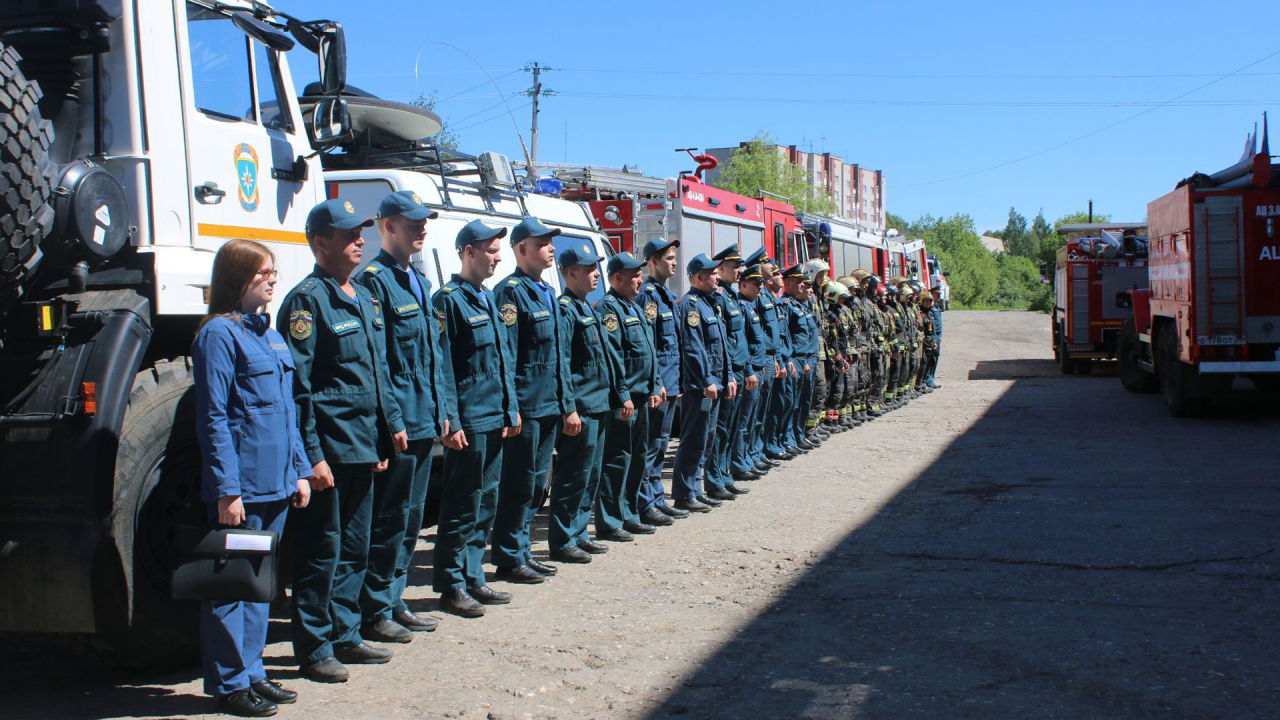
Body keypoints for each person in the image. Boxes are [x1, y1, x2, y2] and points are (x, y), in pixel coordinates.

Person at [279, 199, 406, 683]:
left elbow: (378, 372)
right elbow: (299, 388)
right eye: (348, 233)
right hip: (330, 450)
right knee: (321, 551)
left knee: (355, 546)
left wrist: (389, 425)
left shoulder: (364, 297)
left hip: (364, 445)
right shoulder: (307, 301)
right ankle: (314, 647)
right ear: (320, 242)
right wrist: (311, 456)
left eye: (362, 231)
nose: (360, 240)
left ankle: (346, 632)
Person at [193, 239, 311, 717]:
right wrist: (227, 489)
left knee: (260, 585)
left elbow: (288, 412)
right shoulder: (219, 335)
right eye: (263, 271)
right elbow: (214, 417)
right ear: (237, 277)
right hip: (243, 487)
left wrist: (300, 470)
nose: (272, 279)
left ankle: (253, 673)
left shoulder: (269, 334)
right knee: (231, 587)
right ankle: (228, 683)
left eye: (273, 271)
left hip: (277, 483)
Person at [356, 191, 452, 642]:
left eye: (424, 222)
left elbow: (435, 356)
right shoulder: (376, 281)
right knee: (391, 517)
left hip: (423, 417)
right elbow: (380, 362)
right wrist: (392, 419)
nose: (421, 229)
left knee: (412, 517)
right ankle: (374, 607)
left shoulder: (418, 281)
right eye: (412, 223)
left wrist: (444, 411)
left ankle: (393, 599)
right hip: (400, 422)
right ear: (387, 227)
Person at [432, 219, 521, 618]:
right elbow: (442, 366)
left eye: (498, 251)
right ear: (468, 251)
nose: (497, 258)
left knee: (485, 502)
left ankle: (472, 577)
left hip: (493, 416)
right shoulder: (447, 300)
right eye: (490, 251)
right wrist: (450, 419)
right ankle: (451, 586)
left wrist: (511, 406)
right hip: (468, 420)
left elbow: (503, 361)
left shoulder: (485, 298)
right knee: (461, 504)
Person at [490, 217, 574, 585]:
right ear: (521, 248)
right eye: (542, 243)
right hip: (526, 406)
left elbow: (559, 357)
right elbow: (506, 356)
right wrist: (512, 407)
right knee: (519, 485)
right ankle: (509, 557)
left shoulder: (546, 293)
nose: (550, 248)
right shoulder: (510, 292)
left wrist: (565, 402)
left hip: (548, 405)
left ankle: (522, 551)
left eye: (550, 242)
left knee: (539, 485)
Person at [548, 242, 625, 561]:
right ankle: (563, 539)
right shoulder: (565, 309)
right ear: (570, 273)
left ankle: (579, 533)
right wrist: (569, 408)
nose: (596, 274)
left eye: (597, 268)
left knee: (590, 475)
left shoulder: (586, 306)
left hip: (598, 405)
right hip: (581, 407)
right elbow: (562, 363)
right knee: (572, 476)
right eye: (589, 269)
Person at [594, 251, 663, 541]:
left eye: (640, 273)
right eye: (634, 275)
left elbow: (649, 350)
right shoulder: (608, 309)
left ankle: (630, 513)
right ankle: (610, 521)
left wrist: (656, 383)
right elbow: (614, 358)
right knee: (617, 460)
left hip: (642, 396)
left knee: (637, 458)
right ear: (617, 277)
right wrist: (623, 394)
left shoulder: (633, 306)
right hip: (625, 402)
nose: (640, 279)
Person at [671, 254, 733, 513]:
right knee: (694, 439)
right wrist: (706, 379)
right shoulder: (691, 305)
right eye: (712, 273)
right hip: (700, 386)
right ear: (698, 277)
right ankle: (684, 493)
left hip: (715, 383)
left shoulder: (711, 303)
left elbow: (722, 345)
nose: (717, 277)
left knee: (706, 438)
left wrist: (728, 376)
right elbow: (693, 348)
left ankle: (696, 488)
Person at [637, 238, 688, 526]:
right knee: (651, 444)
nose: (674, 262)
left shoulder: (666, 295)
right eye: (668, 258)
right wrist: (656, 382)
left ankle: (656, 497)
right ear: (653, 262)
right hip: (660, 385)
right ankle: (645, 502)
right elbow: (650, 346)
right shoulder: (648, 296)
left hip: (671, 382)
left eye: (674, 257)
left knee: (661, 444)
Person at [704, 244, 751, 501]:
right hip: (729, 372)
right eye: (735, 266)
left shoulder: (731, 295)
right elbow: (721, 342)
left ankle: (725, 474)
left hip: (740, 369)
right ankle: (714, 480)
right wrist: (729, 373)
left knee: (731, 428)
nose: (740, 270)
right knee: (720, 430)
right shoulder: (719, 296)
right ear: (721, 268)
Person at [731, 263, 771, 481]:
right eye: (756, 284)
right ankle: (739, 463)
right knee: (743, 422)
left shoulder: (751, 306)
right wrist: (748, 370)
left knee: (753, 418)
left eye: (761, 284)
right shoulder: (742, 307)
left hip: (758, 368)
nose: (760, 288)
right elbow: (742, 344)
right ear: (743, 284)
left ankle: (747, 458)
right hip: (750, 371)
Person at [925, 287, 943, 389]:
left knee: (935, 357)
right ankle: (928, 380)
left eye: (939, 294)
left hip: (937, 336)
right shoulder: (929, 307)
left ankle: (931, 378)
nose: (938, 296)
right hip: (932, 337)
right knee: (930, 358)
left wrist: (939, 336)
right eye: (936, 294)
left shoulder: (936, 306)